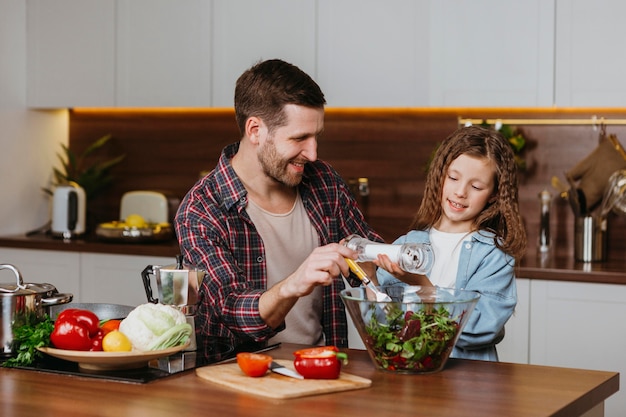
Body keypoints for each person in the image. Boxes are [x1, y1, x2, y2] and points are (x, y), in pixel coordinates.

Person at [175, 59, 382, 352]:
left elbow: (373, 264)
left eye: (316, 136)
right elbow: (231, 310)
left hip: (322, 368)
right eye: (299, 138)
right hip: (238, 380)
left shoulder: (324, 182)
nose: (312, 153)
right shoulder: (201, 210)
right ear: (255, 130)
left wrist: (379, 260)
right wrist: (295, 283)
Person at [375, 125, 527, 361]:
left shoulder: (494, 255)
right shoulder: (407, 244)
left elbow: (481, 328)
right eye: (453, 178)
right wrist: (367, 278)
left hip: (470, 384)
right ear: (441, 176)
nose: (460, 192)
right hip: (412, 378)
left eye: (476, 186)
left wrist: (424, 288)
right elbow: (384, 321)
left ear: (494, 195)